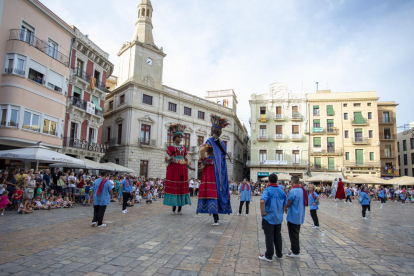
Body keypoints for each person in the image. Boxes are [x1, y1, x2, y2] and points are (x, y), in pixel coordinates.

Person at [196, 114, 232, 225]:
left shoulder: (210, 141)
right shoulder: (222, 143)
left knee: (212, 192)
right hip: (220, 170)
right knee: (218, 191)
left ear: (212, 131)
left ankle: (216, 219)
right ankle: (217, 217)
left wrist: (204, 160)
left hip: (212, 169)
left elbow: (202, 150)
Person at [163, 124, 193, 214]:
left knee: (181, 186)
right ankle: (174, 205)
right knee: (174, 187)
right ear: (174, 137)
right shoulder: (171, 147)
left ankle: (180, 205)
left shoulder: (184, 147)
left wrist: (189, 166)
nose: (180, 138)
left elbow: (186, 157)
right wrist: (170, 158)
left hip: (182, 168)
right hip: (174, 168)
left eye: (181, 137)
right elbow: (166, 157)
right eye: (179, 137)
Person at [258, 174, 287, 262]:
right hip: (278, 217)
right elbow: (285, 204)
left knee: (269, 236)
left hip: (269, 217)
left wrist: (262, 212)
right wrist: (281, 211)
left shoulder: (268, 190)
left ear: (269, 180)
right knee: (278, 235)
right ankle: (279, 254)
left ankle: (269, 255)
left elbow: (262, 201)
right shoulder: (281, 190)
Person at [284, 176, 307, 257]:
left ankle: (295, 252)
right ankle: (293, 248)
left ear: (292, 182)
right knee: (296, 232)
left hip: (293, 215)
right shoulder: (302, 190)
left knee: (293, 233)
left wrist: (285, 207)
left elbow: (289, 202)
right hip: (300, 214)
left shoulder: (293, 191)